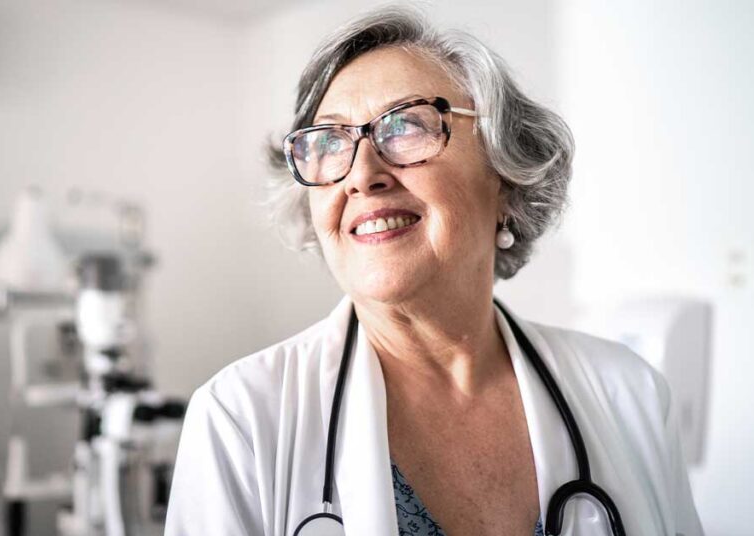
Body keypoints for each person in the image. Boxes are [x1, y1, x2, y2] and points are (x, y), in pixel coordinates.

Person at [164, 6, 703, 536]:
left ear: (505, 179)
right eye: (330, 142)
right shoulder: (239, 418)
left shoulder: (628, 394)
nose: (363, 175)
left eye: (407, 127)